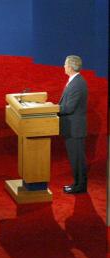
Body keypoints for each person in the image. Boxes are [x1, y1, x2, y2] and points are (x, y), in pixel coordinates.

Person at [59, 55, 88, 194]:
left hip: (75, 129)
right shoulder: (74, 81)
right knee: (74, 158)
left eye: (65, 64)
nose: (63, 66)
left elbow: (69, 108)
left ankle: (80, 186)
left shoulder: (78, 84)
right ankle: (77, 184)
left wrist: (53, 108)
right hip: (71, 128)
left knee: (77, 158)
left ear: (70, 67)